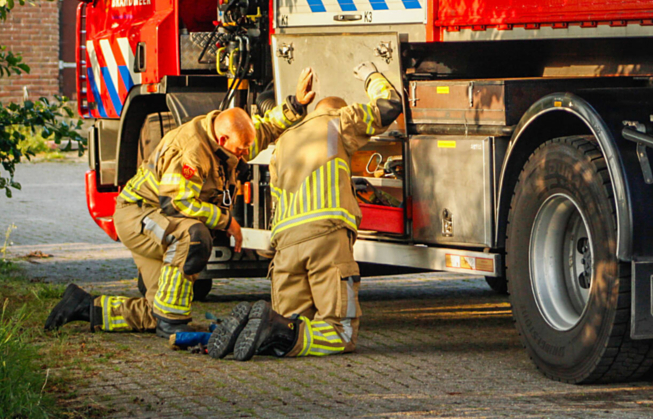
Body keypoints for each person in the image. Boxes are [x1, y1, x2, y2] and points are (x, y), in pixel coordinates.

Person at [44, 68, 317, 337]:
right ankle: (173, 323)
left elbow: (265, 128)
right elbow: (178, 203)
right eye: (241, 150)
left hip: (153, 218)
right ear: (222, 139)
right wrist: (227, 222)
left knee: (157, 310)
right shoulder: (191, 149)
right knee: (193, 236)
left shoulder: (227, 138)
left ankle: (83, 306)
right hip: (138, 216)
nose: (245, 155)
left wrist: (295, 104)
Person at [208, 62, 402, 360]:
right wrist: (369, 75)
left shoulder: (284, 140)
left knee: (290, 322)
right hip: (325, 237)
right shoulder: (340, 120)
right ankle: (275, 331)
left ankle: (264, 328)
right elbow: (389, 105)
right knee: (340, 331)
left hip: (286, 246)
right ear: (338, 108)